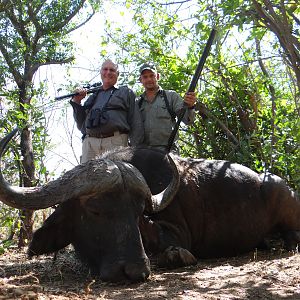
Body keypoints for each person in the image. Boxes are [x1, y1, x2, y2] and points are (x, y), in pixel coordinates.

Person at [70, 59, 144, 163]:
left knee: (115, 178)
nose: (108, 72)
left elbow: (136, 122)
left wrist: (136, 151)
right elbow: (81, 125)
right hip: (90, 144)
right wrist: (77, 102)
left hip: (116, 143)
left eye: (112, 70)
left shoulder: (126, 92)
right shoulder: (93, 96)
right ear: (100, 72)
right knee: (86, 178)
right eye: (105, 69)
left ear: (117, 74)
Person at [138, 62, 196, 152]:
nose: (149, 79)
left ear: (157, 77)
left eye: (151, 75)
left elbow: (188, 120)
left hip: (168, 150)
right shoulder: (137, 103)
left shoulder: (171, 96)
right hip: (144, 152)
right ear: (140, 80)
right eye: (145, 77)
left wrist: (190, 106)